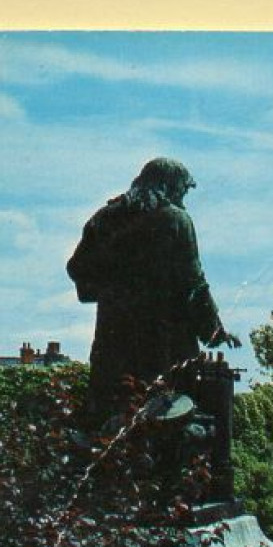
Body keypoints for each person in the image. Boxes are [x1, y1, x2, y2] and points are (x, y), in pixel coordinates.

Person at [67, 158, 241, 429]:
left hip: (112, 344)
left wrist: (113, 293)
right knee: (168, 427)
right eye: (183, 190)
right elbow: (193, 284)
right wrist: (214, 331)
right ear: (169, 186)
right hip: (165, 346)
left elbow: (77, 268)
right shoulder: (176, 220)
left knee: (108, 423)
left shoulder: (105, 217)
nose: (183, 197)